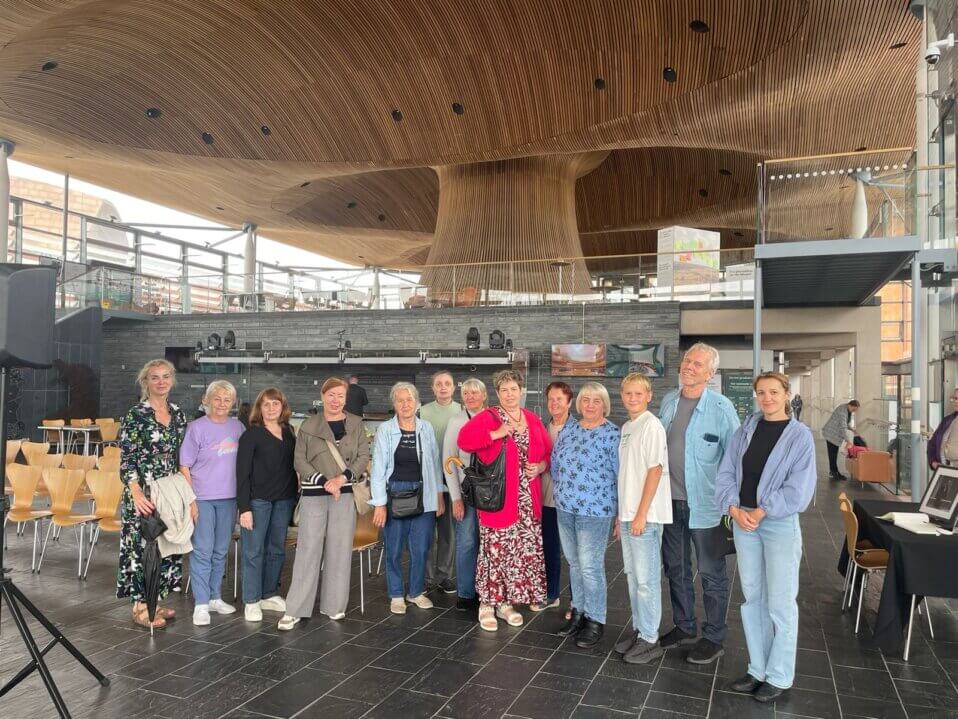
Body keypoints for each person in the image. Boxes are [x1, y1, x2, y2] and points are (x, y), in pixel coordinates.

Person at [715, 372, 816, 703]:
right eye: (761, 392)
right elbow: (726, 472)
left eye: (774, 392)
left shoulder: (800, 437)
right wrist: (733, 508)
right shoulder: (745, 430)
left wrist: (762, 511)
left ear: (787, 394)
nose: (767, 398)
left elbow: (798, 488)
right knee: (753, 598)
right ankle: (757, 668)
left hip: (777, 524)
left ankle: (779, 675)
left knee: (781, 602)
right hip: (743, 521)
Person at [658, 342, 740, 665]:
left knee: (711, 573)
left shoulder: (722, 408)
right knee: (676, 568)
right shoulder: (668, 401)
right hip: (669, 502)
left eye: (698, 364)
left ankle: (714, 637)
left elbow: (735, 460)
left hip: (706, 507)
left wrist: (733, 503)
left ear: (711, 373)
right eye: (687, 360)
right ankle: (684, 626)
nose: (689, 366)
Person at [458, 370, 551, 631]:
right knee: (494, 551)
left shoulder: (532, 419)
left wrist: (540, 466)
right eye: (504, 390)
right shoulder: (489, 417)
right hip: (498, 499)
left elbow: (548, 452)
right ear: (498, 394)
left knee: (517, 553)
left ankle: (506, 603)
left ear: (521, 391)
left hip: (527, 501)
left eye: (514, 389)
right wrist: (495, 434)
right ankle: (487, 603)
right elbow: (464, 441)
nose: (510, 394)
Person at [279, 377, 370, 629]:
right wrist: (324, 481)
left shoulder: (356, 423)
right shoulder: (309, 425)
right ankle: (295, 609)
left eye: (340, 395)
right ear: (322, 396)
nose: (335, 400)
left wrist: (341, 479)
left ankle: (334, 605)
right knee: (307, 550)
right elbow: (299, 460)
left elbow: (363, 456)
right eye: (331, 395)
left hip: (344, 493)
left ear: (346, 398)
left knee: (340, 550)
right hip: (314, 494)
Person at [117, 359, 189, 630]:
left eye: (166, 376)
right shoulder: (136, 414)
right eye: (155, 377)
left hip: (169, 491)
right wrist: (135, 492)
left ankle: (155, 601)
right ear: (145, 382)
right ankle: (140, 607)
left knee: (165, 548)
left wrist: (187, 495)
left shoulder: (178, 414)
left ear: (172, 380)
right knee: (141, 549)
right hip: (144, 492)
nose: (161, 382)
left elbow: (183, 457)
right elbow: (127, 459)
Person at [550, 382, 619, 647]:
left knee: (590, 566)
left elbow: (620, 475)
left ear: (604, 405)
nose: (590, 405)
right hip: (565, 507)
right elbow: (556, 465)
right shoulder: (569, 430)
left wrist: (620, 513)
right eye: (586, 400)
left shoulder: (612, 434)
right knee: (574, 563)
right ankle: (578, 612)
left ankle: (595, 619)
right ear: (579, 403)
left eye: (596, 400)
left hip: (596, 510)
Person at [371, 382, 445, 614]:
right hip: (395, 494)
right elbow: (378, 469)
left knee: (421, 549)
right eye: (400, 400)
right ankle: (396, 594)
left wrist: (439, 496)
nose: (405, 404)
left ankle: (415, 592)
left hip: (425, 495)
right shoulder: (385, 429)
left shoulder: (426, 428)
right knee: (393, 549)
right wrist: (379, 503)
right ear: (394, 404)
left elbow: (435, 464)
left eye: (409, 399)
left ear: (417, 403)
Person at [615, 373, 671, 664]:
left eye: (638, 393)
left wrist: (640, 514)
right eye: (628, 393)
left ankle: (650, 639)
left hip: (644, 517)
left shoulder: (652, 425)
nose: (633, 398)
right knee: (633, 577)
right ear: (622, 395)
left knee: (647, 581)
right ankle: (640, 631)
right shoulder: (628, 427)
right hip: (629, 515)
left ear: (649, 396)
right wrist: (622, 515)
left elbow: (655, 470)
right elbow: (627, 475)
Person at [180, 380, 244, 626]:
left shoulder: (238, 427)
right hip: (202, 498)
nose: (221, 404)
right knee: (203, 551)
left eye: (227, 400)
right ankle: (201, 604)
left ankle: (215, 597)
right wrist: (191, 500)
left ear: (233, 403)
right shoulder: (196, 428)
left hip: (229, 498)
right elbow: (184, 465)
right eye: (216, 398)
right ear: (206, 400)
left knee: (220, 551)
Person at [236, 388, 298, 622]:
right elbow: (242, 474)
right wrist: (245, 508)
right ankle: (251, 600)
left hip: (284, 500)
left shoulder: (289, 432)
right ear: (259, 409)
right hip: (258, 501)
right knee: (253, 552)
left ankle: (268, 594)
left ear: (283, 407)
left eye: (276, 404)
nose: (271, 408)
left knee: (276, 550)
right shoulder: (251, 435)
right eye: (266, 404)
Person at [442, 377, 487, 611]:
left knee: (488, 543)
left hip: (491, 494)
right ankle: (466, 593)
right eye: (466, 393)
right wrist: (455, 498)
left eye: (474, 392)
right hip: (467, 493)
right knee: (467, 541)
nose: (470, 397)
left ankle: (486, 590)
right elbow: (448, 461)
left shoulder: (493, 418)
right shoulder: (457, 421)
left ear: (484, 395)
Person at [531, 381, 573, 613]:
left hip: (571, 503)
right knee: (549, 547)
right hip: (545, 499)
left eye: (559, 399)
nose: (554, 403)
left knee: (575, 554)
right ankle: (551, 594)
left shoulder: (578, 430)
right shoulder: (540, 428)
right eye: (551, 399)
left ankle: (578, 602)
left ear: (569, 402)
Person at [420, 370, 461, 594]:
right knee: (426, 531)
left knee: (448, 532)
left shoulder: (462, 411)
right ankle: (426, 578)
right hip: (426, 478)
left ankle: (444, 575)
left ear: (454, 387)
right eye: (439, 384)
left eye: (447, 383)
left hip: (452, 478)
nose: (443, 387)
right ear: (433, 388)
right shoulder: (422, 412)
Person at [822, 399, 860, 481]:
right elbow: (843, 427)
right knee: (832, 454)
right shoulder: (842, 411)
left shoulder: (847, 409)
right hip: (831, 433)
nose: (853, 412)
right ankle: (833, 472)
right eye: (854, 409)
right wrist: (848, 441)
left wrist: (852, 429)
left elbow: (846, 423)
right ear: (850, 405)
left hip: (834, 434)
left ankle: (834, 472)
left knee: (834, 454)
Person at [928, 388, 958, 469]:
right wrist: (933, 462)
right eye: (954, 398)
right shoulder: (947, 420)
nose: (956, 401)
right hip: (944, 470)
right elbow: (932, 443)